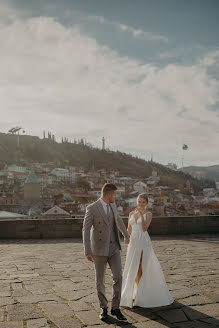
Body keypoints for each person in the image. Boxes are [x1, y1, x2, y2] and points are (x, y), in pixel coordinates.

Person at [82, 183, 130, 321]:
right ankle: (103, 307)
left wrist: (127, 235)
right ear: (108, 194)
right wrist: (87, 250)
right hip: (99, 249)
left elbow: (119, 220)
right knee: (100, 280)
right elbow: (85, 230)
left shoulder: (113, 205)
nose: (116, 196)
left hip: (114, 247)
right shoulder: (92, 208)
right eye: (115, 194)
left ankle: (115, 307)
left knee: (118, 277)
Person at [120, 193, 173, 308]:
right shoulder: (130, 213)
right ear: (137, 202)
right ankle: (133, 293)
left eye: (143, 202)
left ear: (147, 203)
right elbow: (129, 229)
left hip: (143, 241)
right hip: (133, 241)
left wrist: (140, 214)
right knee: (132, 266)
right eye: (139, 202)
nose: (141, 204)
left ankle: (141, 294)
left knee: (141, 265)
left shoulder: (148, 214)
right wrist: (126, 237)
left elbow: (144, 228)